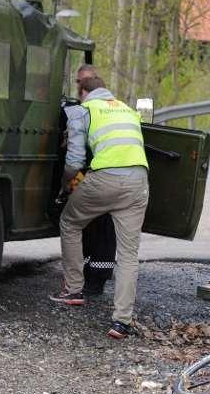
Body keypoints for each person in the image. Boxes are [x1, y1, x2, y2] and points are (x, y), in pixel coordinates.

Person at [51, 76, 149, 340]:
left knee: (70, 222)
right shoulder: (128, 110)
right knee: (128, 254)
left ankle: (73, 291)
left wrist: (64, 186)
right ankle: (121, 322)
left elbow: (74, 161)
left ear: (83, 92)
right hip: (138, 181)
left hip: (104, 179)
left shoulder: (84, 110)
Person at [65, 64, 118, 296]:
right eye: (77, 82)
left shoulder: (87, 109)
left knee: (99, 228)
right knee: (87, 229)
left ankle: (93, 280)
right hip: (108, 174)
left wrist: (65, 184)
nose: (79, 86)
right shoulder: (117, 108)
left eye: (83, 82)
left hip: (98, 173)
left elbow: (76, 155)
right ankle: (89, 276)